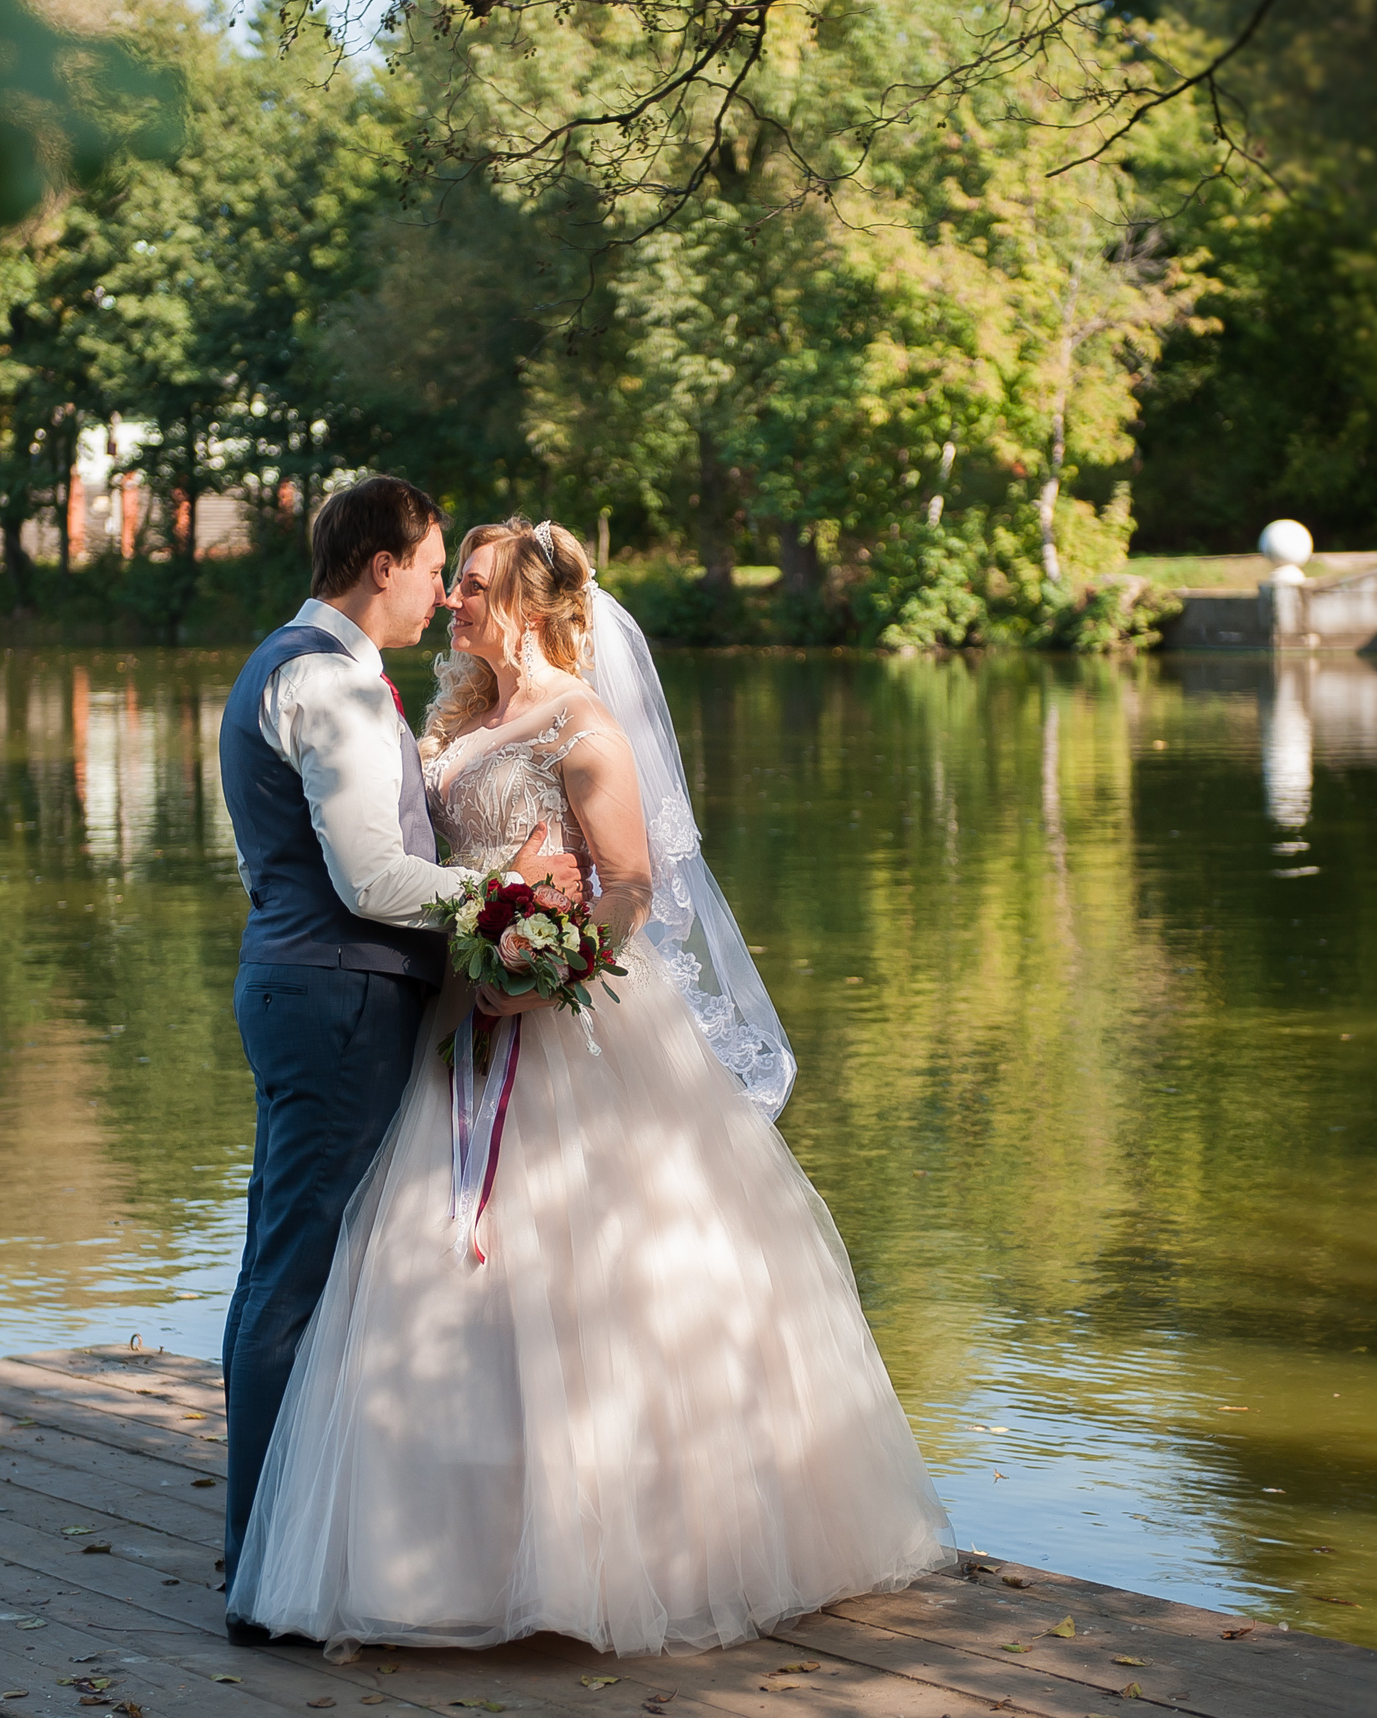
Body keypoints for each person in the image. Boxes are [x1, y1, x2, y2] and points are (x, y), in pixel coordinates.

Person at [225, 516, 952, 1659]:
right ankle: (440, 1550)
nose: (451, 603)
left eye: (469, 587)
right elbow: (424, 854)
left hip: (568, 1027)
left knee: (601, 1281)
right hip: (459, 1022)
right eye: (446, 581)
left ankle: (624, 1546)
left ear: (522, 602)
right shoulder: (456, 717)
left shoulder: (584, 723)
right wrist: (492, 936)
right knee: (430, 1282)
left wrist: (548, 963)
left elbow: (630, 887)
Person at [215, 476, 575, 1638]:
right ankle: (265, 1569)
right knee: (300, 1271)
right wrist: (511, 897)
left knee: (279, 1258)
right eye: (430, 567)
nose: (438, 592)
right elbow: (372, 880)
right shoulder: (334, 685)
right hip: (339, 994)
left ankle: (260, 1544)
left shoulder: (293, 663)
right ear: (380, 563)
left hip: (302, 985)